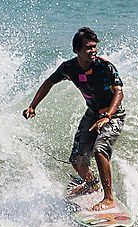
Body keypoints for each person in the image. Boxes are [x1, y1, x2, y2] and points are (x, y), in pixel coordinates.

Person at [23, 27, 125, 211]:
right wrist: (33, 106)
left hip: (112, 114)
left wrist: (108, 116)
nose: (93, 50)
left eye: (94, 46)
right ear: (77, 50)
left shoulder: (105, 67)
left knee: (99, 150)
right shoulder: (68, 68)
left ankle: (108, 198)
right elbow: (49, 83)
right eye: (88, 47)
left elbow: (119, 92)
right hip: (92, 113)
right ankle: (91, 184)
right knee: (77, 159)